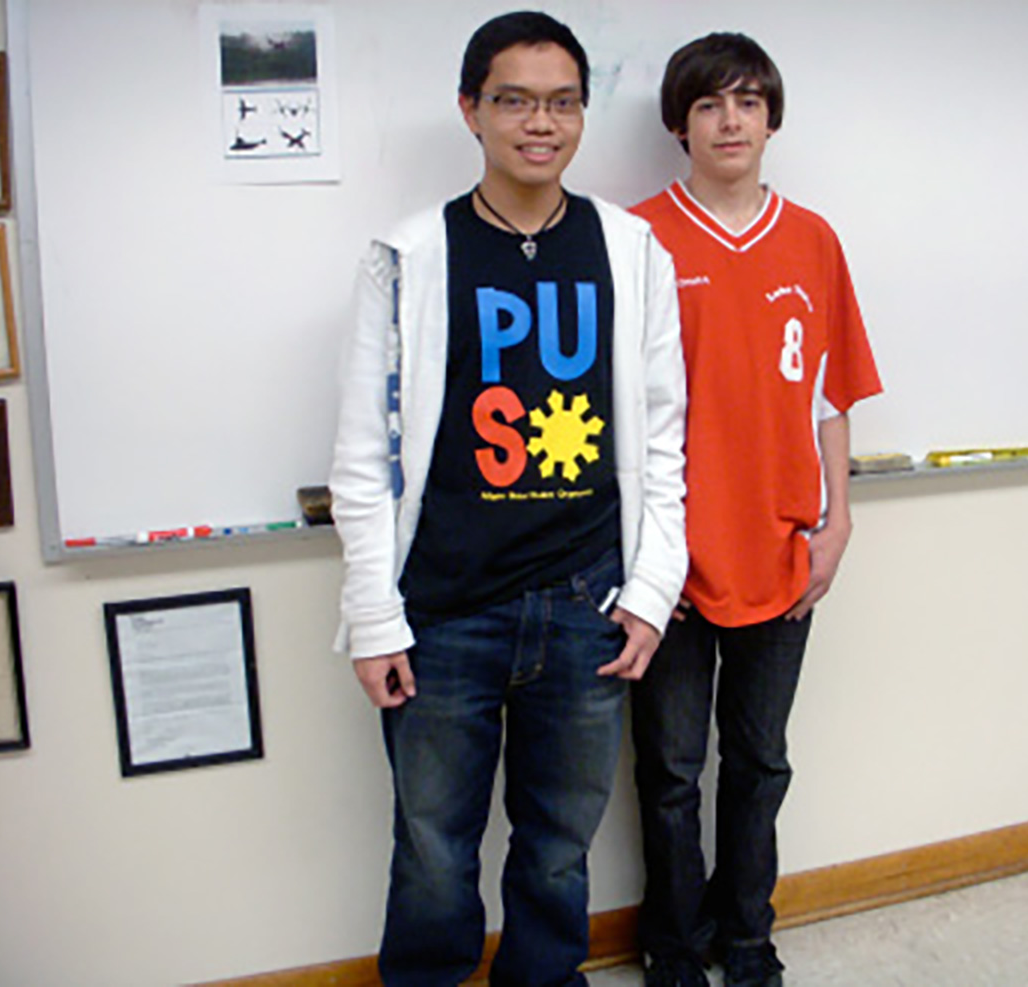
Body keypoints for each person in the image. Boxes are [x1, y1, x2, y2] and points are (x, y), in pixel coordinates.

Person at [328, 11, 687, 987]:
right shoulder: (408, 256)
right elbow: (363, 457)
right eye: (515, 100)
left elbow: (662, 435)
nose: (542, 122)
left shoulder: (631, 251)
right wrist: (374, 617)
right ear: (471, 110)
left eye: (562, 102)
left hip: (586, 607)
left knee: (559, 850)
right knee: (434, 852)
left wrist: (652, 590)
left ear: (581, 115)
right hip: (445, 613)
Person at [629, 33, 882, 987]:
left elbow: (829, 396)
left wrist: (839, 519)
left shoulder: (812, 239)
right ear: (679, 124)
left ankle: (747, 939)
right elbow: (618, 419)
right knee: (669, 774)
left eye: (746, 102)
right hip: (674, 561)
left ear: (772, 118)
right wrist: (646, 557)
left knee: (761, 761)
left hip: (785, 548)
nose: (729, 121)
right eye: (708, 105)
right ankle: (675, 947)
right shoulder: (637, 236)